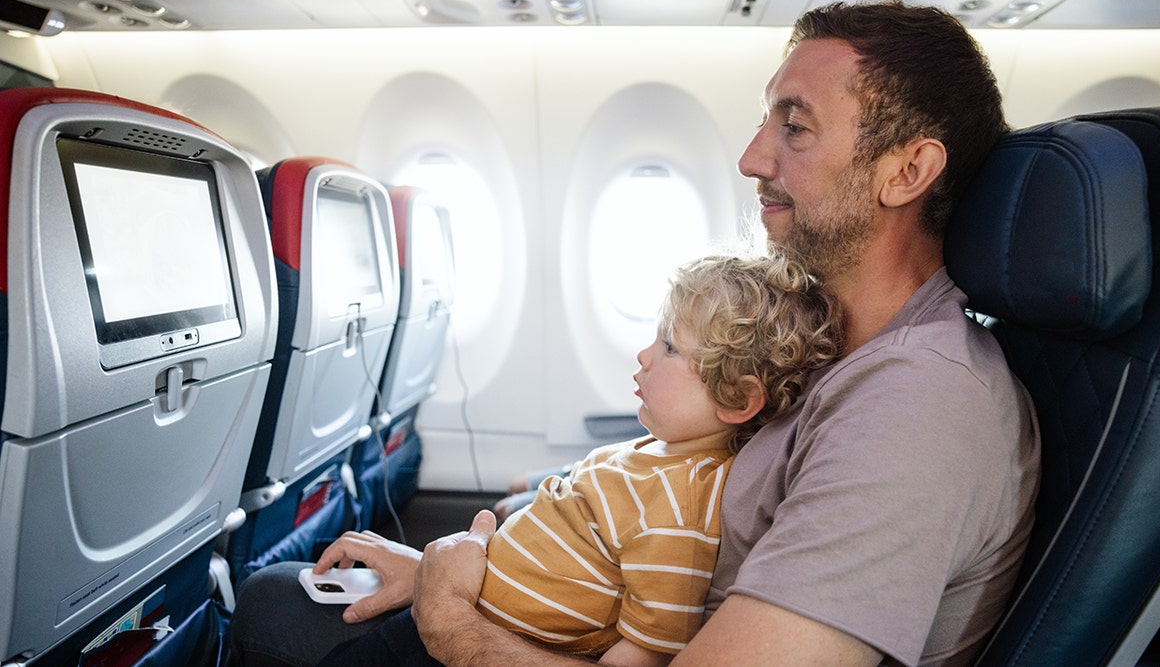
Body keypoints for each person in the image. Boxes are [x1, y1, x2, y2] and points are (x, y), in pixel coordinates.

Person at [233, 0, 1041, 666]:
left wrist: (455, 618)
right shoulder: (835, 344)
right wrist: (484, 577)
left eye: (794, 128)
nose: (753, 157)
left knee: (273, 613)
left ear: (907, 170)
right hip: (570, 624)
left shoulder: (917, 410)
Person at [230, 254, 843, 666]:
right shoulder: (654, 454)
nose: (645, 356)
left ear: (738, 399)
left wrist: (451, 605)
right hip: (469, 599)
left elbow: (639, 655)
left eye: (670, 347)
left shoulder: (679, 518)